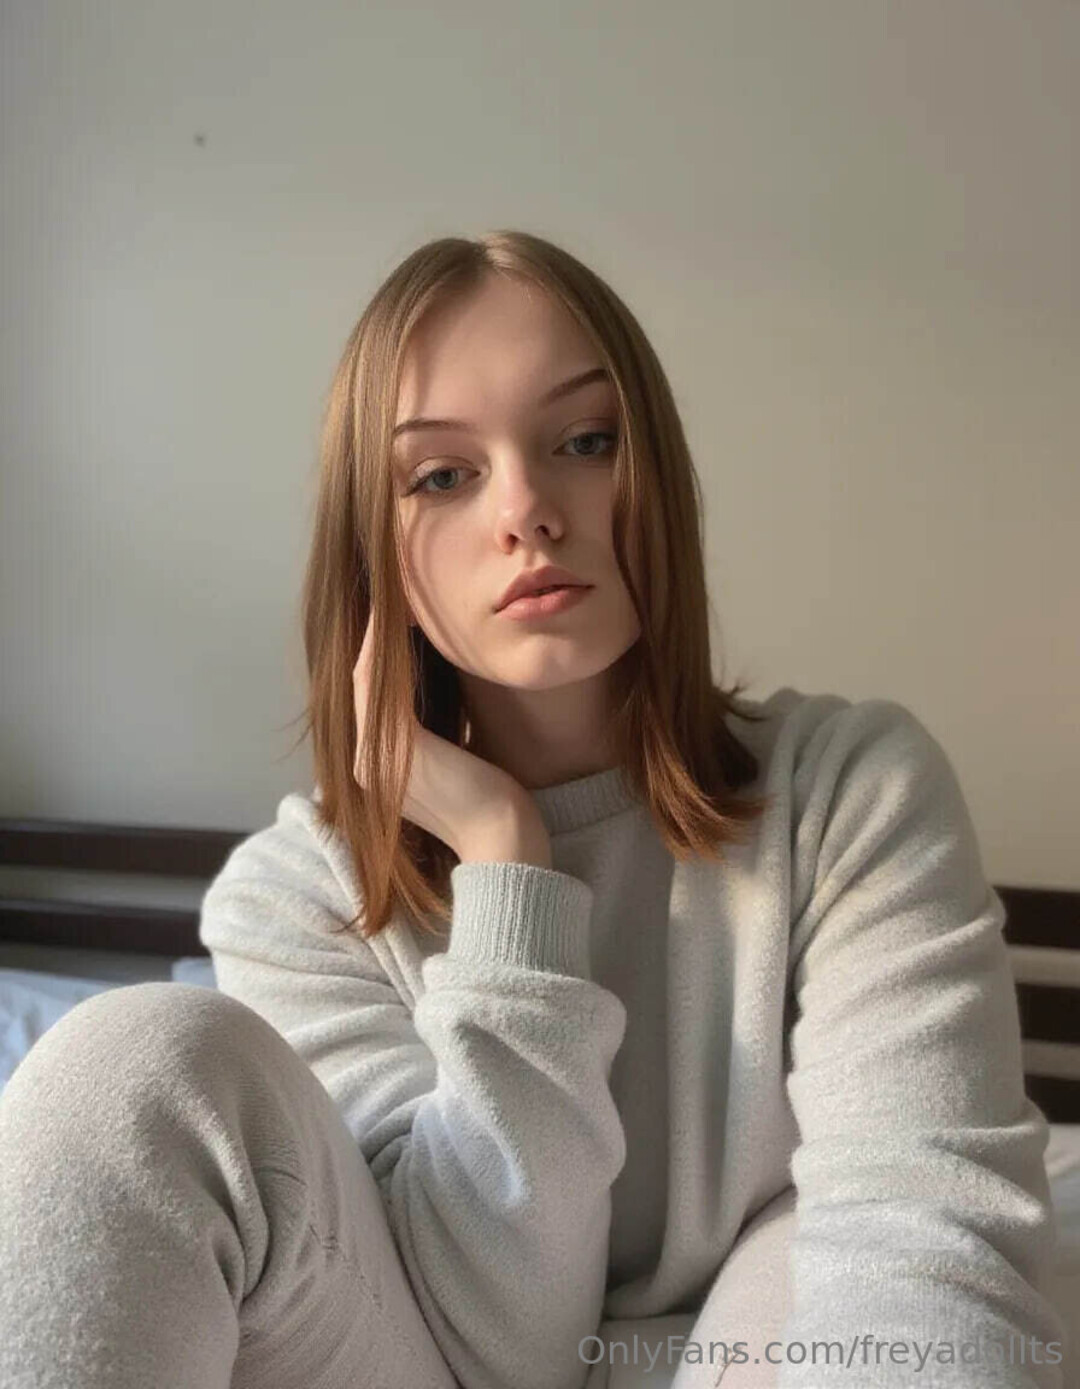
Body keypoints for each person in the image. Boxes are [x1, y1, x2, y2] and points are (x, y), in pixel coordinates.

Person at [0, 230, 1067, 1389]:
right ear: (374, 554)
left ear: (657, 475)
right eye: (441, 476)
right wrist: (508, 862)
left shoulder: (847, 792)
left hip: (770, 1350)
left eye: (586, 442)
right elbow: (501, 1352)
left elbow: (923, 1250)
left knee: (829, 1238)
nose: (526, 510)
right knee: (131, 1059)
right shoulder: (296, 897)